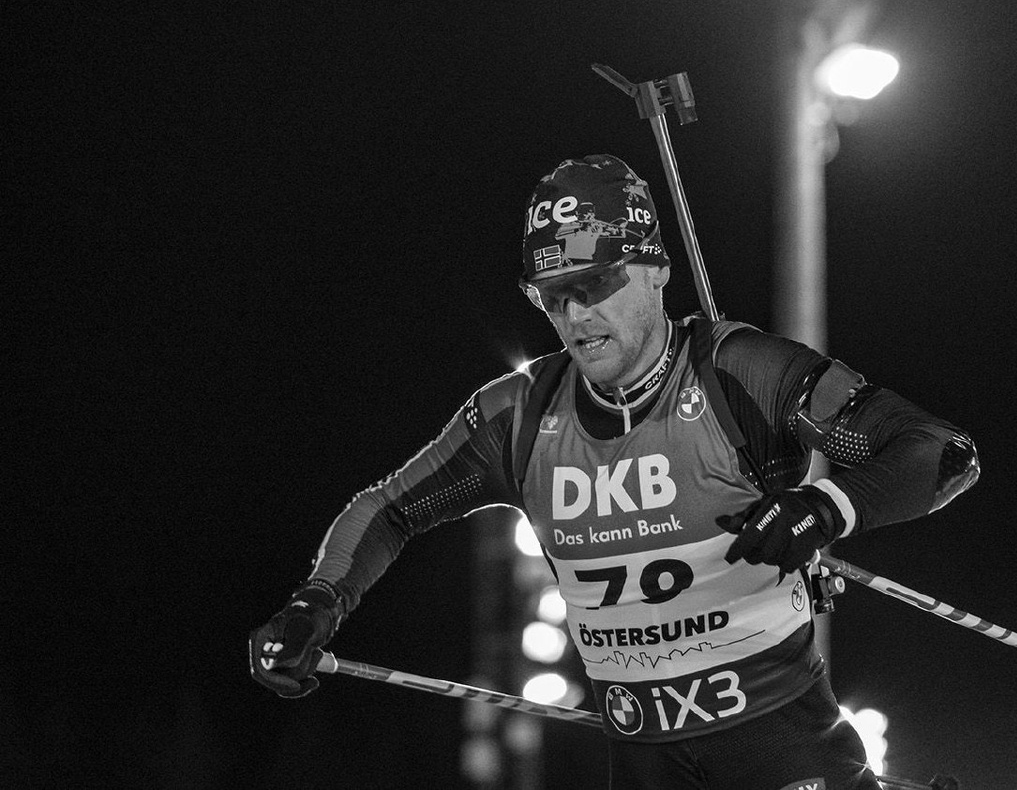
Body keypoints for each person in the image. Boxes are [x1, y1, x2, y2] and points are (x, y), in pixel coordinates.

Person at [250, 154, 980, 789]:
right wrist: (315, 604)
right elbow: (389, 509)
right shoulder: (519, 415)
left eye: (595, 283)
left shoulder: (738, 373)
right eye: (553, 294)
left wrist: (824, 507)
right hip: (641, 761)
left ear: (655, 269)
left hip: (781, 744)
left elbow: (939, 453)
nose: (575, 316)